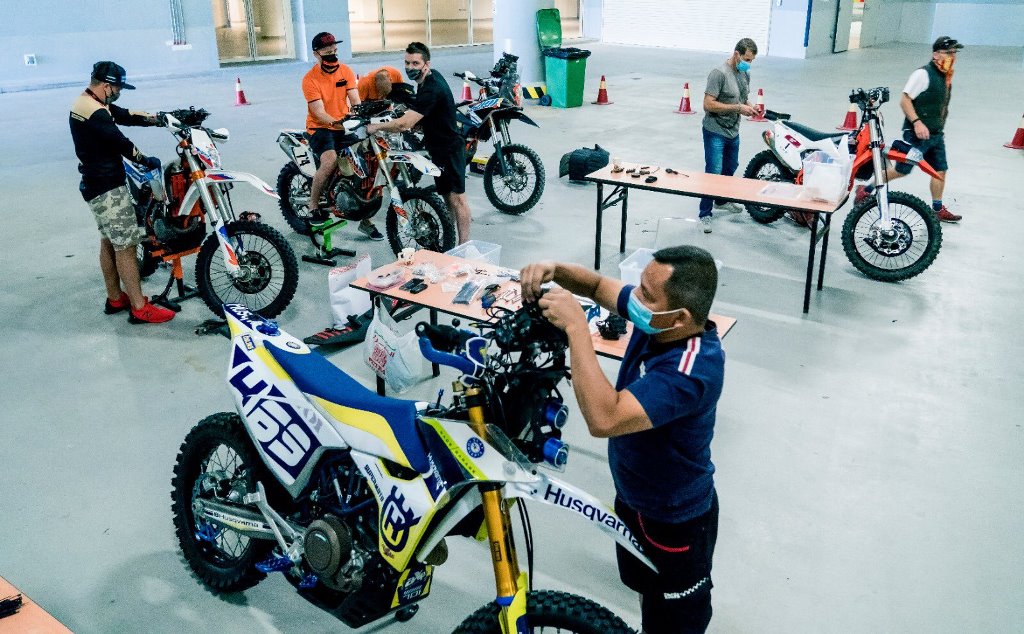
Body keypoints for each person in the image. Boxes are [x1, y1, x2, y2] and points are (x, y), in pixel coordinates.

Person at [520, 246, 725, 634]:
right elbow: (597, 285)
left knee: (675, 620)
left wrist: (578, 328)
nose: (635, 299)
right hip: (634, 498)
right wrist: (556, 268)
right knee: (647, 589)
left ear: (680, 317)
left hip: (674, 518)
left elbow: (604, 417)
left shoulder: (693, 370)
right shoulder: (660, 318)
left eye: (647, 295)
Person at [69, 61, 175, 324]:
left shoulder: (89, 102)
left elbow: (126, 114)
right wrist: (144, 159)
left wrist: (160, 119)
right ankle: (140, 307)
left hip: (94, 185)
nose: (119, 92)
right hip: (107, 189)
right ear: (106, 85)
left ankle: (116, 297)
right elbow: (121, 142)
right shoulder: (95, 112)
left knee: (108, 241)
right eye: (118, 87)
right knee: (126, 246)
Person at [365, 42, 471, 244]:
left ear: (426, 64)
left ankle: (464, 245)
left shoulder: (432, 87)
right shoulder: (427, 79)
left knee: (458, 199)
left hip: (449, 148)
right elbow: (430, 112)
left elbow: (404, 124)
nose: (410, 67)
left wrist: (376, 127)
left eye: (415, 63)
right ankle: (452, 241)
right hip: (437, 148)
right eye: (407, 62)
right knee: (448, 196)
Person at [855, 36, 963, 223]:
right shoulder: (923, 74)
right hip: (916, 134)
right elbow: (905, 100)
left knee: (940, 171)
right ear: (936, 54)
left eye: (954, 53)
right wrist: (917, 122)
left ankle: (937, 209)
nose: (952, 57)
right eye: (948, 53)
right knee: (902, 170)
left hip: (936, 135)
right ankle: (866, 189)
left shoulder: (946, 76)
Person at [301, 32, 383, 241]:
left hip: (343, 125)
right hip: (320, 128)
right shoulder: (310, 79)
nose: (332, 55)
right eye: (327, 52)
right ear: (317, 54)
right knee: (328, 162)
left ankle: (365, 220)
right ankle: (312, 207)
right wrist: (337, 122)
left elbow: (355, 101)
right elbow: (318, 112)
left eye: (334, 51)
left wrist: (363, 115)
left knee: (365, 166)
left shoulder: (345, 71)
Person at [700, 38, 759, 234]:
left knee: (731, 166)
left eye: (751, 61)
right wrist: (737, 108)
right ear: (737, 54)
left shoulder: (744, 73)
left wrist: (751, 107)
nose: (748, 64)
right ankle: (705, 214)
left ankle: (721, 200)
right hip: (715, 130)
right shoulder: (719, 73)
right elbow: (708, 104)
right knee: (713, 171)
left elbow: (742, 98)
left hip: (733, 130)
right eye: (746, 59)